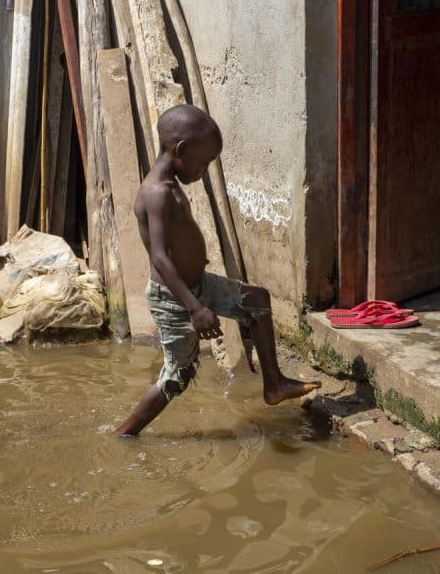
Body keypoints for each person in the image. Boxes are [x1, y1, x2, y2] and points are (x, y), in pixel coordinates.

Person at [115, 105, 321, 436]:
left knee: (257, 300)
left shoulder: (169, 184)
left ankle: (274, 385)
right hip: (175, 298)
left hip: (197, 285)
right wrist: (194, 308)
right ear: (180, 150)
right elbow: (160, 259)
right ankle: (125, 433)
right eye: (204, 161)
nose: (205, 170)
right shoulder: (156, 192)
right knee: (177, 376)